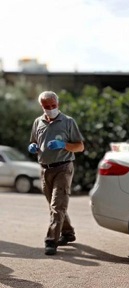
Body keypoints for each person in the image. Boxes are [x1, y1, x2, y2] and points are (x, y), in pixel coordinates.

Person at [28, 91, 84, 256]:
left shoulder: (67, 122)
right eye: (47, 107)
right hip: (45, 169)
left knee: (56, 206)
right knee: (56, 207)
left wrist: (63, 145)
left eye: (53, 106)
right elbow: (33, 141)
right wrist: (32, 146)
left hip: (63, 168)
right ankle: (68, 233)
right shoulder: (38, 122)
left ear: (57, 104)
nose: (51, 109)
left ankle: (51, 240)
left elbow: (80, 146)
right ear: (42, 106)